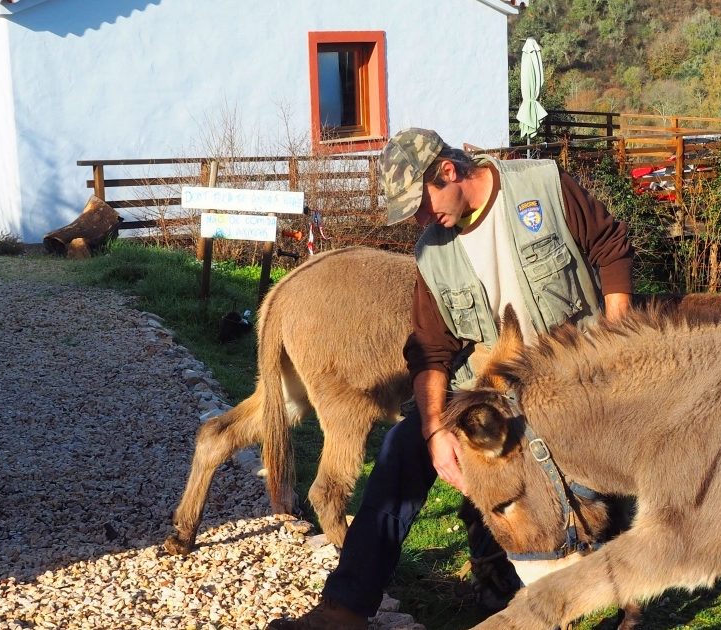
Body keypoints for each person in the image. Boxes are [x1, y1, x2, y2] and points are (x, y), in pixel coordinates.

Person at [269, 128, 634, 629]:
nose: (421, 220)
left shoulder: (544, 187)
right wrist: (435, 430)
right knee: (402, 450)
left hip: (573, 376)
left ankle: (624, 593)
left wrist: (616, 342)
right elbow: (429, 350)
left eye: (421, 205)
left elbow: (610, 248)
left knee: (599, 481)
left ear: (448, 171)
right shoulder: (432, 252)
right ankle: (345, 608)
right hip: (487, 387)